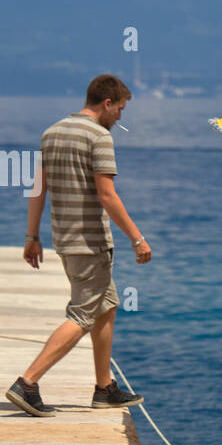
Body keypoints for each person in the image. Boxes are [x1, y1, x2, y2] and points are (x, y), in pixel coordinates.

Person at [5, 74, 152, 418]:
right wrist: (138, 238)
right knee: (83, 314)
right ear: (107, 103)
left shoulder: (51, 132)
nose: (120, 117)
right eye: (120, 109)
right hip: (90, 243)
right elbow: (107, 195)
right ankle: (27, 382)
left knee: (107, 304)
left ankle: (105, 388)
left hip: (64, 239)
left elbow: (37, 189)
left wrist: (31, 237)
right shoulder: (99, 138)